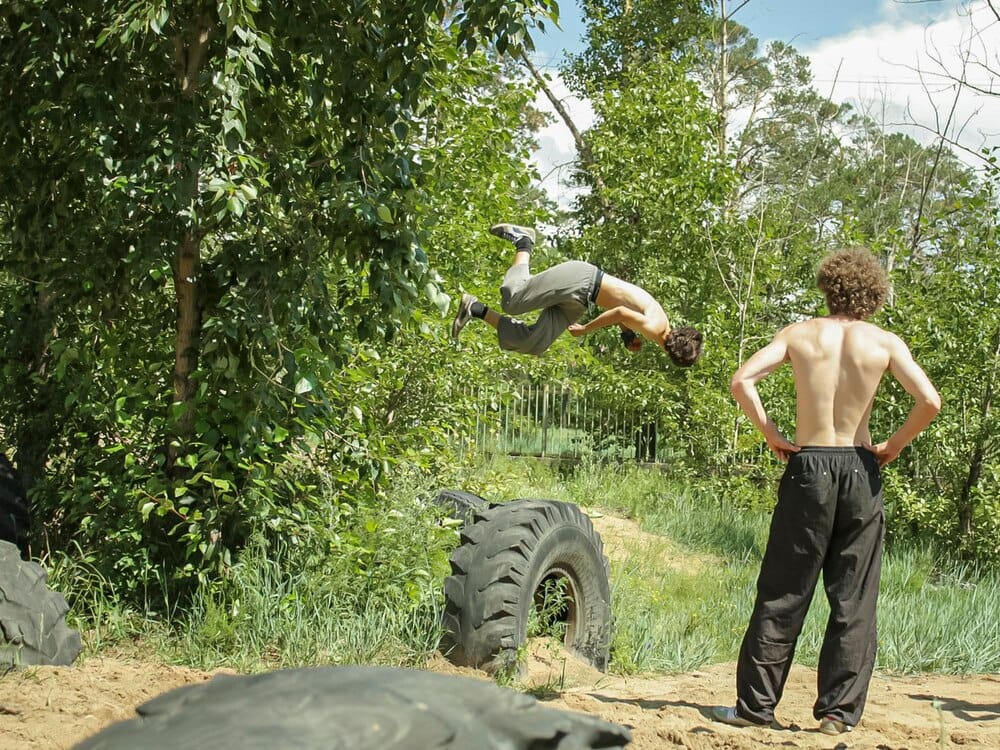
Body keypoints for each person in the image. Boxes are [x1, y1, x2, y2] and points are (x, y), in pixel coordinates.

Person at [711, 246, 940, 736]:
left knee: (783, 591)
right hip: (860, 467)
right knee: (853, 596)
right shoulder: (885, 342)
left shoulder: (799, 334)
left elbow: (742, 380)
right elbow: (929, 401)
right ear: (873, 294)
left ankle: (755, 708)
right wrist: (894, 445)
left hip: (809, 465)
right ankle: (837, 714)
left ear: (828, 287)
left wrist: (771, 432)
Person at [451, 223, 703, 366]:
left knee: (536, 343)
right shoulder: (655, 328)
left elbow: (625, 309)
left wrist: (627, 335)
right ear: (672, 356)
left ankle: (475, 308)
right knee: (513, 300)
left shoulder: (661, 326)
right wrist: (585, 330)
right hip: (582, 280)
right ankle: (524, 241)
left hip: (583, 298)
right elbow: (619, 312)